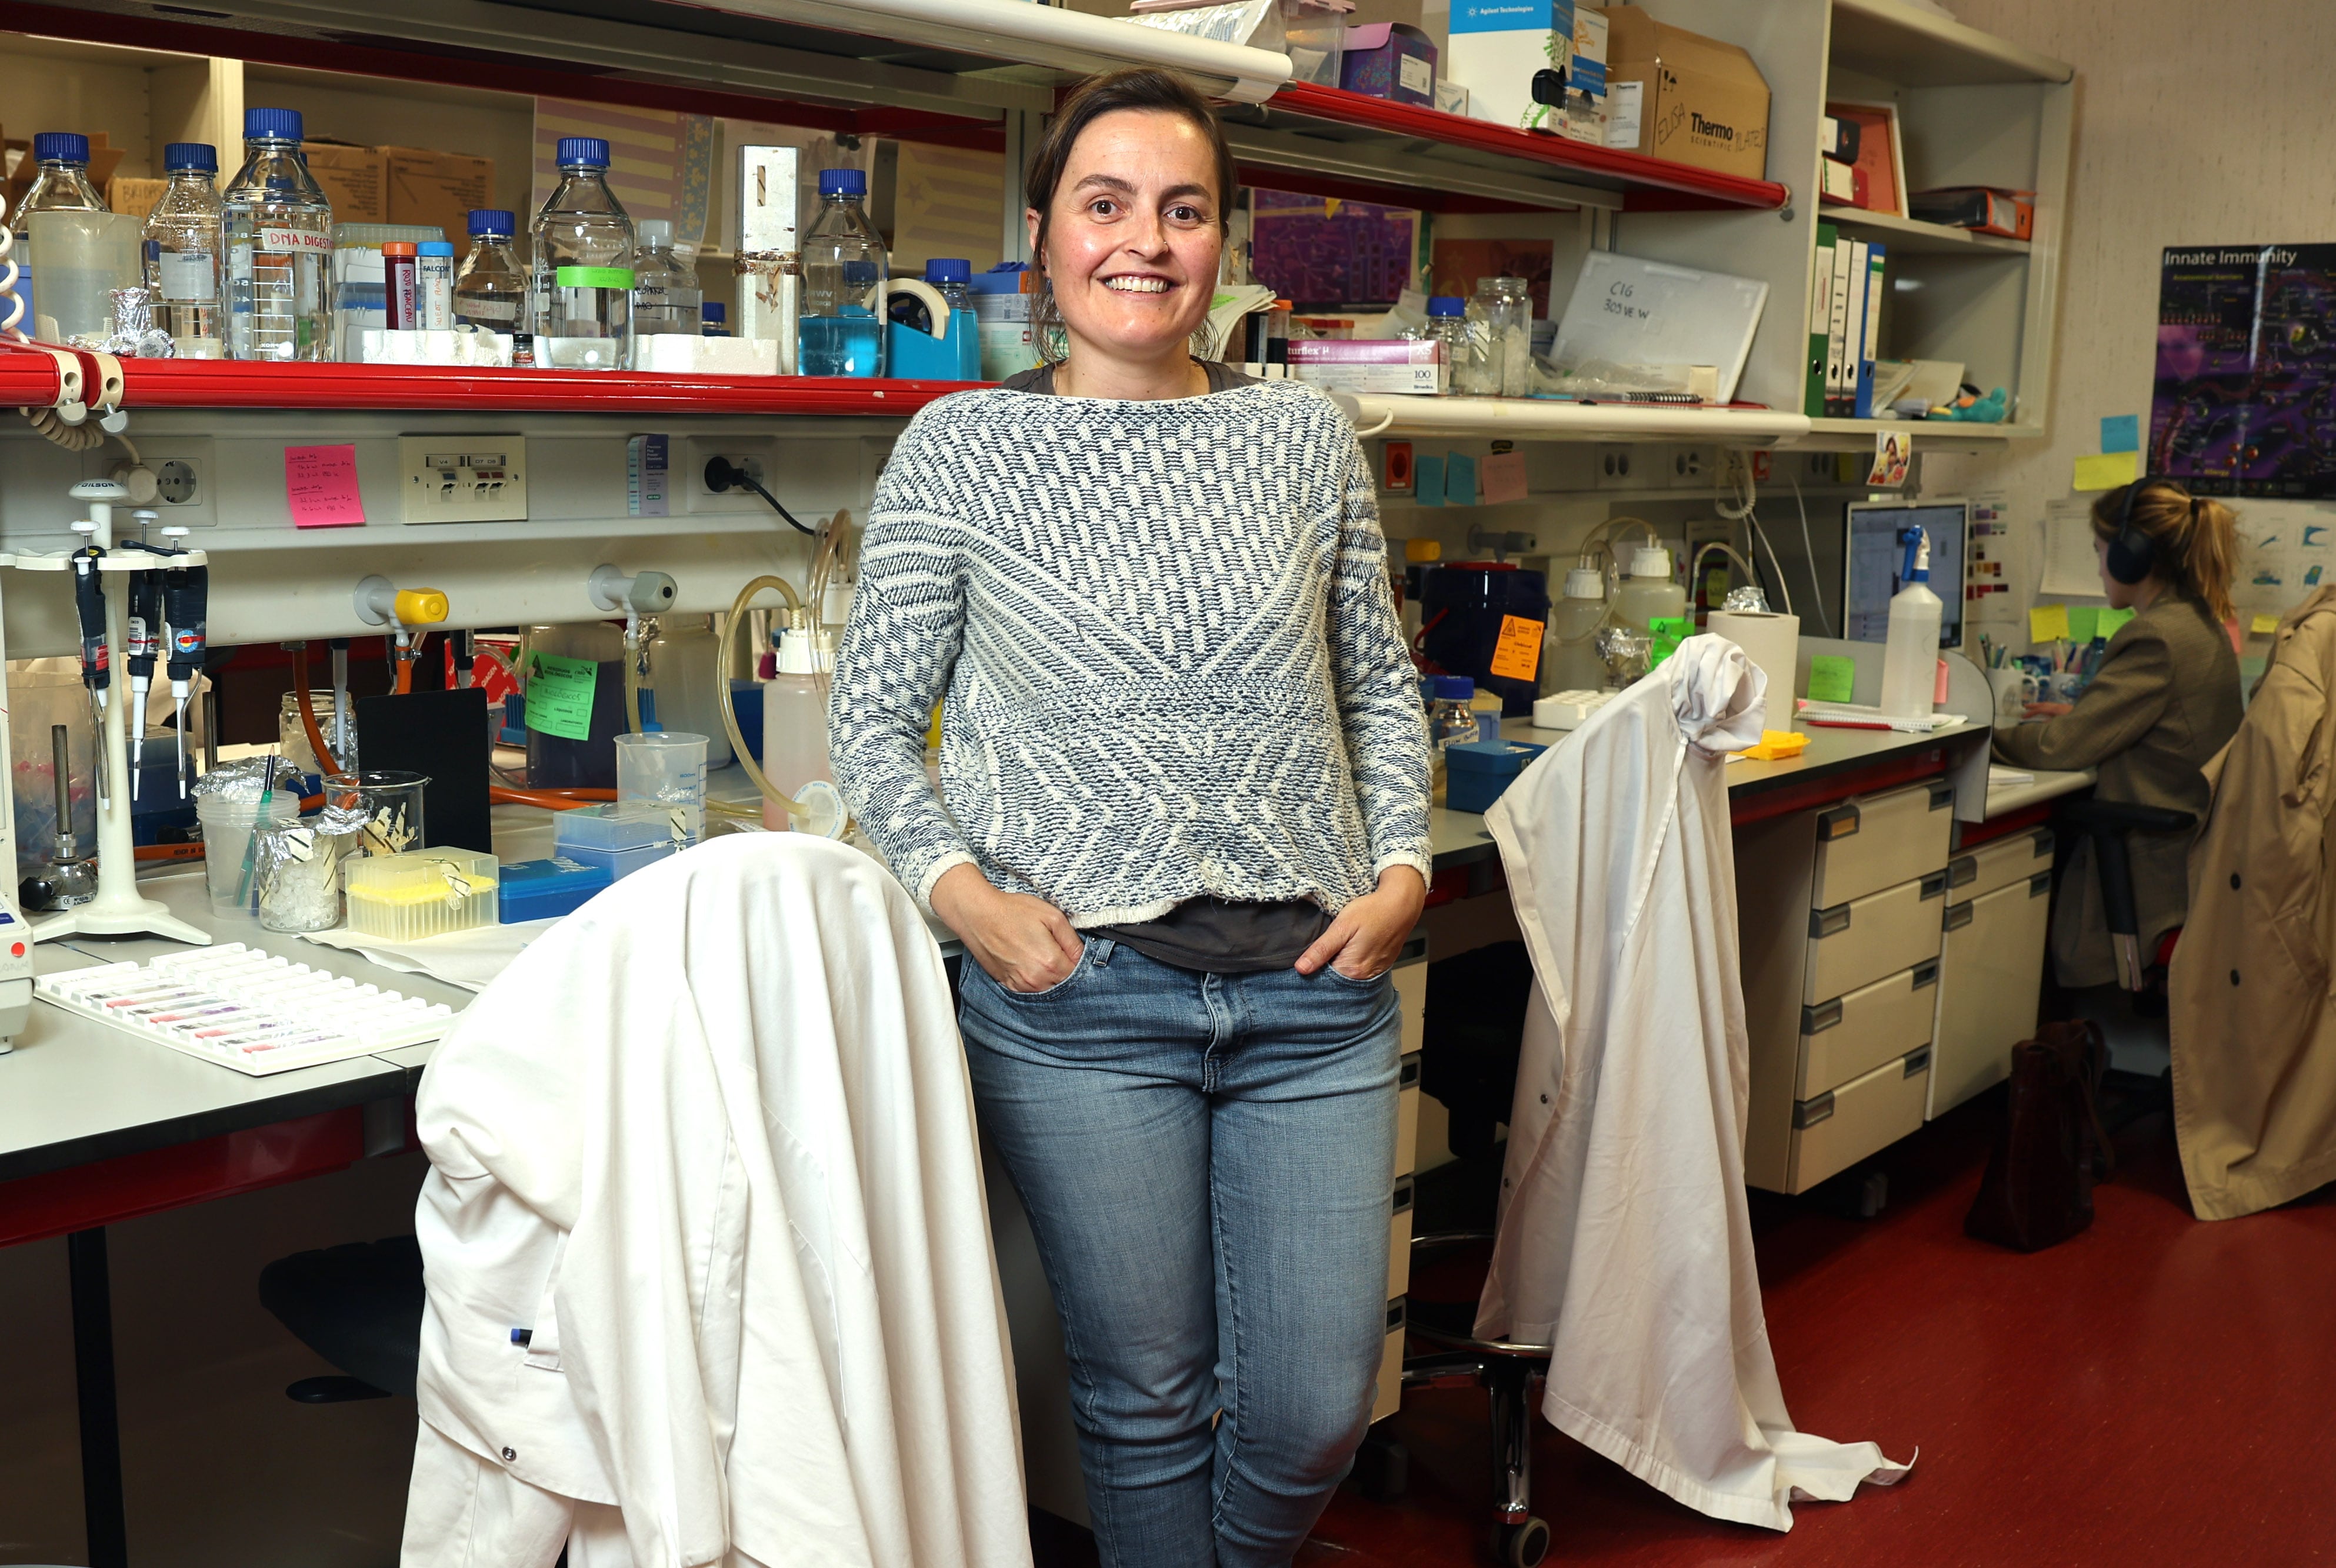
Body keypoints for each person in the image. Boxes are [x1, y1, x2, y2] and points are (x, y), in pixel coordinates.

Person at [827, 67, 1432, 1568]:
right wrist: (968, 902)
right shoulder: (958, 447)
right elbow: (870, 726)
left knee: (1312, 1413)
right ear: (1044, 237)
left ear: (1222, 240)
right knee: (1144, 1398)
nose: (1142, 242)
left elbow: (1378, 684)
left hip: (1316, 992)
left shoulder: (1304, 436)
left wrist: (1409, 863)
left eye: (1182, 209)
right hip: (1078, 1001)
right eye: (1104, 206)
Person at [1994, 478, 2243, 987]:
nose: (2099, 568)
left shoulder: (2154, 636)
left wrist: (1977, 736)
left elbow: (2059, 749)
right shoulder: (2198, 622)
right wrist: (2083, 718)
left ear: (2132, 558)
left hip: (2155, 873)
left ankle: (2047, 1054)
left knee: (2005, 916)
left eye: (2100, 552)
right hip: (2194, 855)